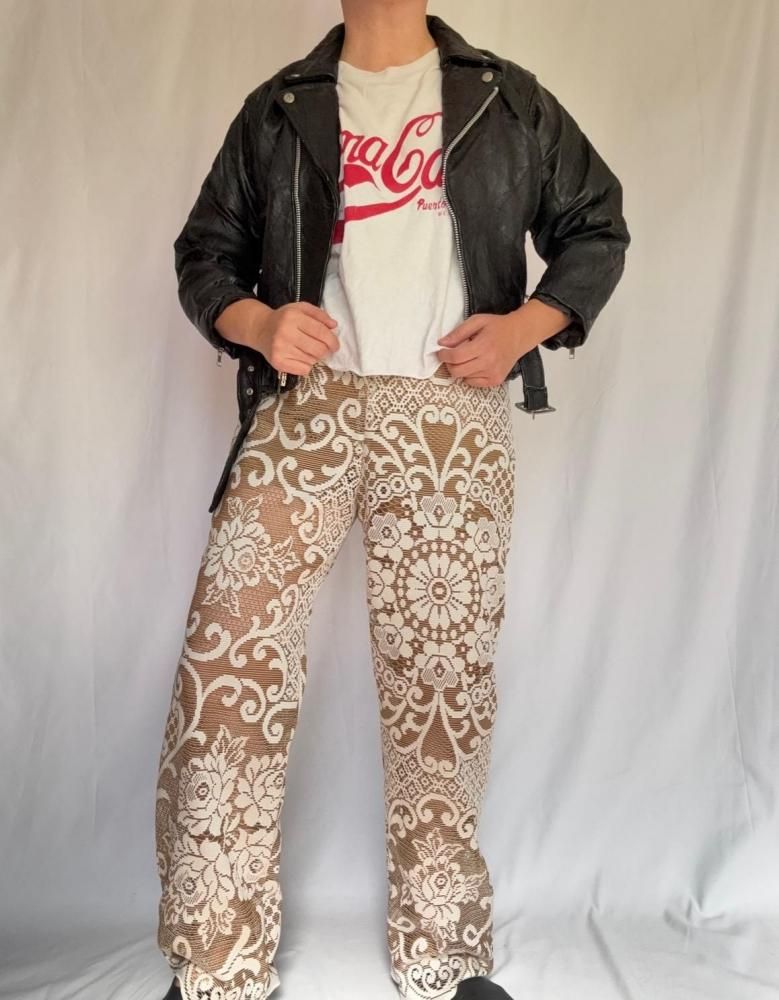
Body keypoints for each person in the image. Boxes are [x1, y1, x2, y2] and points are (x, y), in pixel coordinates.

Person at [154, 3, 630, 1000]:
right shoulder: (281, 106)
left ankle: (442, 955)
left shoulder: (505, 99)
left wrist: (522, 330)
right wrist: (258, 323)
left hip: (449, 412)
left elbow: (595, 226)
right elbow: (205, 253)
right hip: (306, 406)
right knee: (226, 662)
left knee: (440, 680)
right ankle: (216, 964)